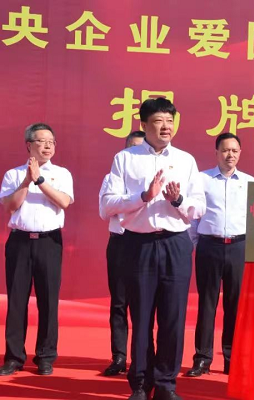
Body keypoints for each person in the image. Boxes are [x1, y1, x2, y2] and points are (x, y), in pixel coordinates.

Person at [100, 98, 206, 400]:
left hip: (175, 244)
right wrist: (144, 196)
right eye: (159, 121)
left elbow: (199, 207)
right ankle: (140, 384)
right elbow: (108, 204)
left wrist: (177, 201)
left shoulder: (186, 160)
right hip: (139, 244)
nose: (166, 127)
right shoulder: (125, 159)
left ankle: (166, 384)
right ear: (144, 124)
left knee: (173, 318)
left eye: (170, 121)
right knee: (142, 316)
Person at [0, 123, 74, 376]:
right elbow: (10, 206)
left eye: (51, 142)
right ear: (29, 145)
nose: (47, 146)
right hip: (19, 242)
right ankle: (14, 357)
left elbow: (63, 201)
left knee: (48, 300)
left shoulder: (62, 173)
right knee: (17, 300)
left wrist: (39, 180)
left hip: (48, 242)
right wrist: (26, 180)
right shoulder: (13, 174)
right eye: (42, 141)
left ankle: (45, 356)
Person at [186, 132, 254, 377]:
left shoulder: (249, 182)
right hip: (209, 247)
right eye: (225, 150)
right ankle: (202, 359)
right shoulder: (202, 179)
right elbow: (193, 218)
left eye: (234, 151)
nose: (230, 155)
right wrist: (197, 244)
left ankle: (231, 359)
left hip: (238, 247)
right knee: (207, 304)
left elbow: (253, 218)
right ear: (216, 152)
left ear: (240, 153)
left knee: (235, 305)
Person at [98, 130, 145, 376]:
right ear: (125, 150)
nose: (137, 153)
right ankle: (118, 356)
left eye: (141, 148)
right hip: (120, 242)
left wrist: (123, 203)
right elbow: (105, 210)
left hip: (145, 244)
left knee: (143, 303)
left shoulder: (153, 177)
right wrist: (135, 200)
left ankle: (141, 357)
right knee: (119, 302)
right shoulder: (111, 177)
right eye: (132, 148)